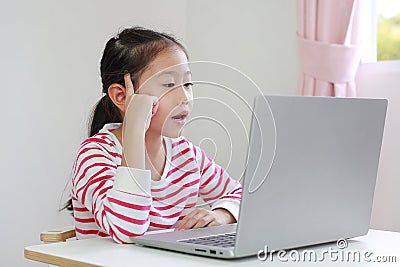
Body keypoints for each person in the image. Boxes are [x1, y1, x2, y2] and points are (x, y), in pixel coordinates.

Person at [68, 26, 242, 244]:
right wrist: (134, 128)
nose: (185, 97)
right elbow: (128, 231)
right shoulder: (95, 155)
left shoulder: (186, 155)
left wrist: (222, 214)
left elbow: (240, 195)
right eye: (169, 85)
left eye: (187, 84)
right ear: (121, 96)